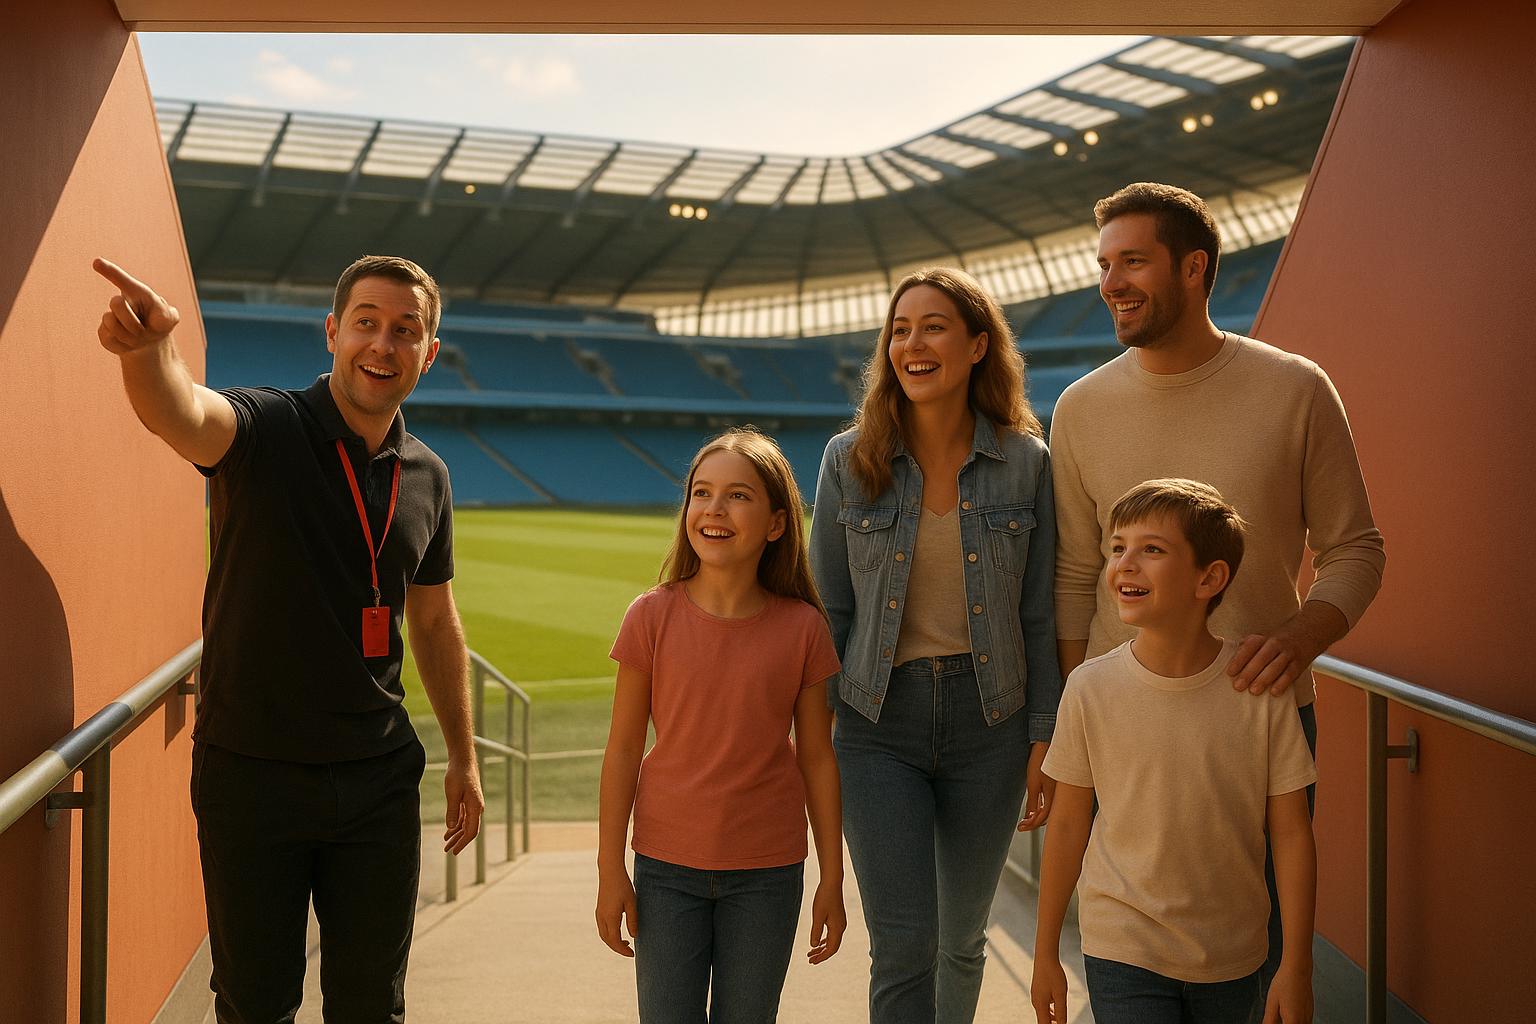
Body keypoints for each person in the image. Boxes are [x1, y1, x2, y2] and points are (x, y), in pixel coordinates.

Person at [92, 254, 483, 1023]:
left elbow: (435, 619)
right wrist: (148, 355)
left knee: (373, 1003)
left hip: (377, 779)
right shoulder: (268, 426)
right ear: (333, 332)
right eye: (366, 323)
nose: (384, 345)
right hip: (253, 773)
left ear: (428, 353)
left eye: (406, 331)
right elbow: (183, 414)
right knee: (257, 1002)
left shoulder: (428, 475)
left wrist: (464, 757)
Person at [1050, 182, 1385, 983]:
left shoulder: (1296, 388)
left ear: (1194, 268)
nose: (1111, 283)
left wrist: (1303, 637)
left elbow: (1357, 549)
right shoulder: (1078, 407)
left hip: (1260, 718)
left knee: (1255, 963)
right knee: (1126, 960)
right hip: (1122, 729)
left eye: (1133, 261)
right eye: (1105, 264)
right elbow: (1072, 571)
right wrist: (1073, 707)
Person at [809, 268, 1063, 1023]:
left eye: (934, 326)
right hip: (875, 725)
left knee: (960, 939)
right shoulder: (847, 460)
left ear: (979, 345)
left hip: (994, 723)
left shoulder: (1027, 462)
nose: (912, 344)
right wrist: (813, 738)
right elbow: (830, 612)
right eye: (900, 329)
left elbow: (1041, 615)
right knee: (903, 943)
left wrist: (1044, 735)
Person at [1032, 478, 1317, 1024]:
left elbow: (1290, 830)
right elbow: (1069, 823)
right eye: (1118, 547)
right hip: (1123, 944)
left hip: (1235, 954)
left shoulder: (1258, 693)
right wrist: (1046, 952)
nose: (1126, 563)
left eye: (1152, 549)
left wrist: (1295, 965)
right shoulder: (1090, 688)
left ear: (1209, 577)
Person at [596, 428, 846, 1023]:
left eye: (738, 496)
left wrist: (832, 878)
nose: (713, 508)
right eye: (701, 493)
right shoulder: (650, 617)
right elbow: (624, 748)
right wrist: (611, 870)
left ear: (777, 523)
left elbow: (817, 758)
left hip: (767, 873)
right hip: (666, 868)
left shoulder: (804, 629)